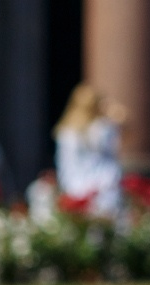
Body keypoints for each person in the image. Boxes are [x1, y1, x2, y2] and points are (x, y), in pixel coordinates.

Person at [52, 83, 125, 218]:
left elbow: (64, 164)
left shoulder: (66, 131)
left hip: (75, 187)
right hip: (103, 188)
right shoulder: (103, 128)